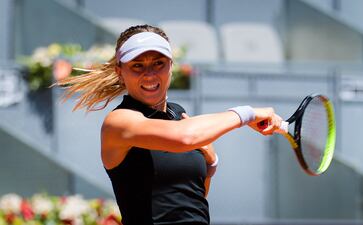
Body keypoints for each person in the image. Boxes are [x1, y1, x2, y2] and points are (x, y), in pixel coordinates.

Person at [57, 24, 283, 225]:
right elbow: (184, 138)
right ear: (120, 71)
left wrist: (211, 164)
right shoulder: (119, 121)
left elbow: (190, 201)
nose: (150, 74)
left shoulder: (179, 114)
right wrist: (248, 114)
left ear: (171, 66)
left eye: (158, 63)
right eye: (137, 65)